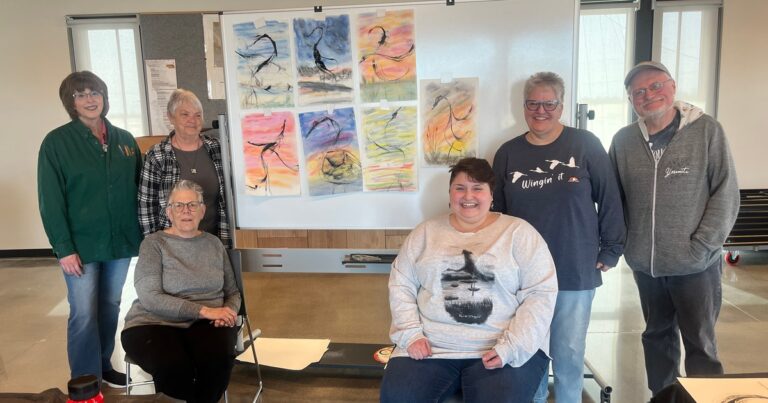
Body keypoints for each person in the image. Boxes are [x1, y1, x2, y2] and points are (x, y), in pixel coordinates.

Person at [492, 71, 626, 402]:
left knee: (568, 353)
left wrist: (611, 248)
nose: (541, 111)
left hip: (574, 267)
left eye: (549, 103)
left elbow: (610, 197)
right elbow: (498, 215)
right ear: (523, 106)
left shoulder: (585, 144)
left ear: (561, 106)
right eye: (533, 104)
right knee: (529, 353)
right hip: (523, 273)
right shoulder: (508, 153)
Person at [609, 61, 739, 395]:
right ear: (631, 100)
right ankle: (663, 398)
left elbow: (726, 192)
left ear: (673, 86)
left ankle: (706, 399)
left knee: (700, 343)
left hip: (696, 265)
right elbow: (614, 199)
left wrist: (702, 246)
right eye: (638, 92)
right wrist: (627, 246)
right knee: (656, 338)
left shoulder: (706, 131)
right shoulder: (623, 141)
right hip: (647, 266)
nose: (648, 95)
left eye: (655, 86)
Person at [380, 158, 558, 403]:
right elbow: (401, 285)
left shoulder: (519, 232)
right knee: (399, 398)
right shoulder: (425, 233)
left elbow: (540, 294)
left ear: (491, 194)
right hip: (431, 347)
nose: (468, 196)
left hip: (500, 347)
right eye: (460, 188)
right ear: (450, 193)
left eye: (477, 188)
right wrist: (411, 335)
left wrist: (511, 347)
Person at [37, 71, 142, 386]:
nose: (89, 99)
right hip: (80, 247)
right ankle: (85, 377)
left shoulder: (124, 140)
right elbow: (50, 201)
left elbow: (139, 190)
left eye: (94, 92)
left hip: (120, 243)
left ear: (104, 97)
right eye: (80, 94)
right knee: (83, 312)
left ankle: (103, 365)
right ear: (71, 103)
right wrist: (64, 248)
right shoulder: (56, 143)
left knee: (110, 306)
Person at [122, 180, 241, 403]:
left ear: (202, 210)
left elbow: (232, 292)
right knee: (174, 366)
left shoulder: (214, 244)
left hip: (208, 323)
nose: (186, 211)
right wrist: (205, 311)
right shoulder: (153, 244)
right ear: (169, 212)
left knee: (217, 361)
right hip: (153, 322)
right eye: (178, 205)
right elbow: (150, 297)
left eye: (192, 205)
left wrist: (228, 312)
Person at [138, 89, 230, 246]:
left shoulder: (218, 149)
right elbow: (146, 206)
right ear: (171, 117)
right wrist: (154, 247)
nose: (192, 120)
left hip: (216, 241)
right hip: (172, 246)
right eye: (185, 114)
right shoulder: (157, 155)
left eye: (198, 115)